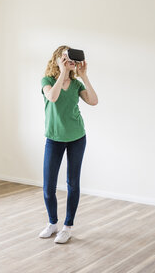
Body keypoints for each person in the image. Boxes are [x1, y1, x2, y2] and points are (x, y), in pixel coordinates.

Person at [38, 45, 98, 244]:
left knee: (73, 184)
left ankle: (67, 227)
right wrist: (62, 73)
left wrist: (84, 76)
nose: (71, 61)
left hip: (77, 137)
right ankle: (52, 223)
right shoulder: (47, 81)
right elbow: (52, 97)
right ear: (58, 60)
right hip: (54, 138)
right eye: (66, 58)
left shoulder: (76, 84)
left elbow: (94, 101)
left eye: (72, 59)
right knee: (48, 187)